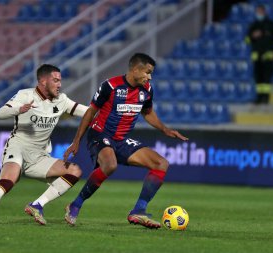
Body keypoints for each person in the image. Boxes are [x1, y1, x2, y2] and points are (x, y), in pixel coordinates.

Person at [63, 53, 188, 229]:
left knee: (161, 163)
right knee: (110, 164)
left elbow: (148, 112)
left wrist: (164, 129)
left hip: (121, 139)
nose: (149, 77)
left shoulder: (147, 90)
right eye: (147, 72)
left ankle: (138, 211)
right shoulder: (110, 86)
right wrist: (76, 141)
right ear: (135, 69)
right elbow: (90, 112)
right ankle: (75, 205)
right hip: (99, 134)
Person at [0, 64, 88, 226]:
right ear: (43, 81)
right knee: (8, 180)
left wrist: (110, 111)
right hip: (18, 147)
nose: (59, 84)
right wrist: (19, 108)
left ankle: (37, 204)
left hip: (39, 156)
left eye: (60, 80)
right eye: (55, 80)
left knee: (74, 171)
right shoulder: (25, 95)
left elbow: (87, 112)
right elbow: (0, 113)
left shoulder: (62, 100)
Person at [245, 4, 273, 104]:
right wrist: (253, 36)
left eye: (261, 12)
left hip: (269, 55)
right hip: (257, 56)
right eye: (258, 12)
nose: (259, 13)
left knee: (267, 77)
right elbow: (247, 40)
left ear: (264, 12)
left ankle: (266, 97)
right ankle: (259, 97)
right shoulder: (253, 25)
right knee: (258, 77)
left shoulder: (271, 25)